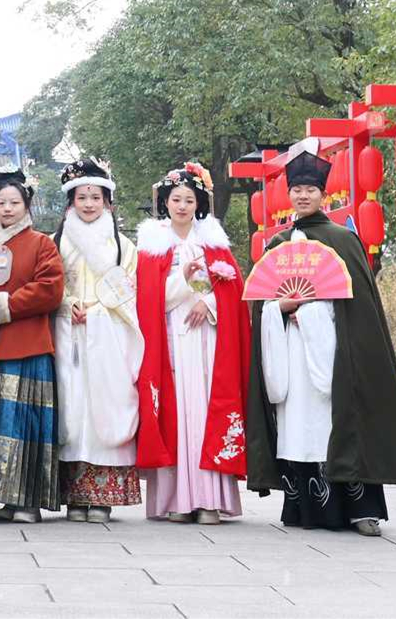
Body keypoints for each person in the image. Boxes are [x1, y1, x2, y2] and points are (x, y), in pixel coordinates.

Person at [245, 152, 396, 535]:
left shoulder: (343, 241)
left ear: (323, 194)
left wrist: (312, 313)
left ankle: (359, 510)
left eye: (310, 189)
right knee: (299, 426)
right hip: (290, 355)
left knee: (339, 424)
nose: (303, 196)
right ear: (288, 195)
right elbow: (263, 304)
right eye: (296, 189)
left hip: (336, 354)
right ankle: (307, 510)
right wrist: (280, 308)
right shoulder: (278, 244)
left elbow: (360, 311)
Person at [136, 163, 248, 524]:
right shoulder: (152, 246)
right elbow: (147, 300)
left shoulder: (212, 242)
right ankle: (177, 500)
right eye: (176, 199)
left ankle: (209, 499)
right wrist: (182, 282)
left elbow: (233, 291)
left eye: (189, 199)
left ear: (198, 203)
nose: (182, 206)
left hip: (208, 338)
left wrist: (209, 303)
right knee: (176, 410)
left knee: (205, 409)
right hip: (171, 335)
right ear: (165, 202)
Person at [0, 166, 65, 523]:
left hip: (27, 346)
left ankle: (29, 501)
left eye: (14, 203)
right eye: (1, 203)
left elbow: (50, 288)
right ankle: (4, 497)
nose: (7, 209)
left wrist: (7, 302)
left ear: (27, 206)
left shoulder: (42, 244)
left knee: (25, 424)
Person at [52, 157, 143, 521]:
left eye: (95, 197)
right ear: (71, 201)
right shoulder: (56, 243)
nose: (88, 204)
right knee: (72, 407)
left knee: (106, 405)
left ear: (107, 201)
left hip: (109, 336)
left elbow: (131, 291)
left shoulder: (124, 247)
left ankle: (103, 495)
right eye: (81, 197)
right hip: (68, 333)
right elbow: (50, 284)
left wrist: (100, 311)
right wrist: (66, 303)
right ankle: (75, 496)